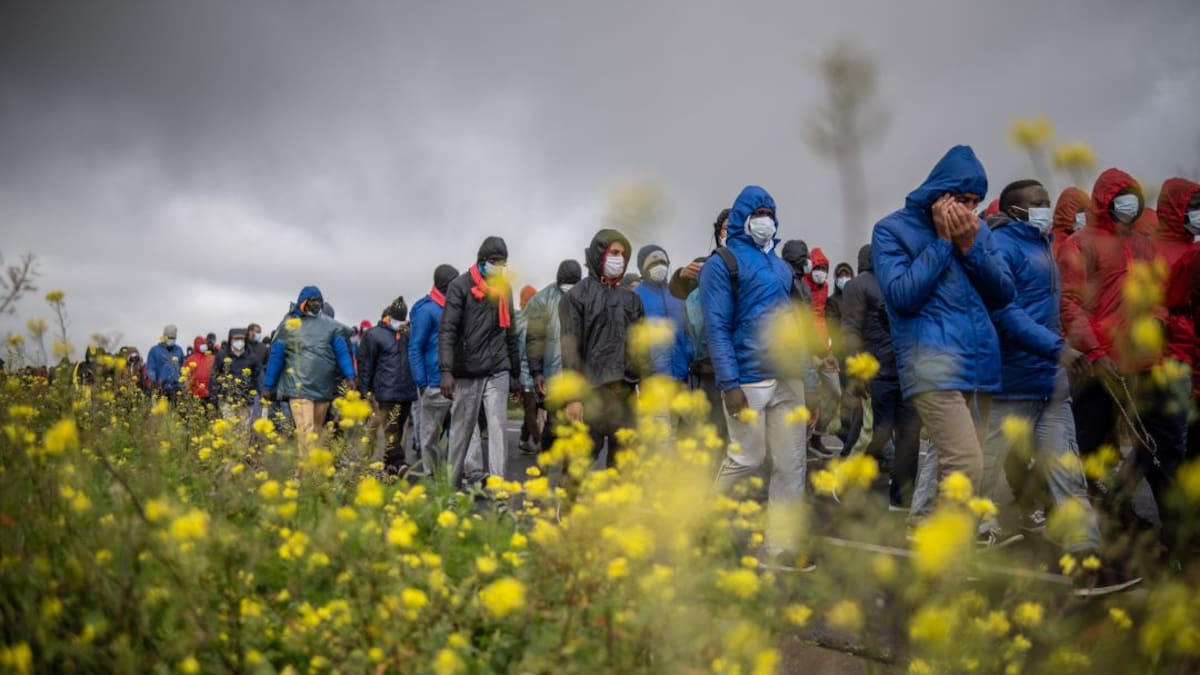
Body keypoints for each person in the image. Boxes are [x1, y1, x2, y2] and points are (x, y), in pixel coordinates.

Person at [981, 180, 1139, 592]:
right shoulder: (1001, 249)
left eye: (1048, 202)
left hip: (1050, 386)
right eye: (1037, 204)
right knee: (980, 474)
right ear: (1013, 210)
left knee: (1068, 476)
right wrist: (1058, 349)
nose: (1046, 210)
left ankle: (1087, 565)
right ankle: (953, 550)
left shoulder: (1046, 246)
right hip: (1010, 386)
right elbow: (1006, 314)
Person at [872, 145, 1014, 496]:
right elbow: (902, 296)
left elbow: (1004, 292)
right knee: (965, 466)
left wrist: (970, 248)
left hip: (978, 364)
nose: (969, 210)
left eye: (975, 202)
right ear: (939, 194)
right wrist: (942, 243)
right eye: (962, 200)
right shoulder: (891, 230)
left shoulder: (979, 232)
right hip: (932, 365)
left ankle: (941, 530)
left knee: (962, 472)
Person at [1058, 168, 1187, 551]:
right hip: (1100, 367)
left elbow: (1158, 294)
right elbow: (1070, 304)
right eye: (1120, 195)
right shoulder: (1080, 244)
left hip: (1145, 364)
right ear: (1105, 199)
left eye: (1133, 195)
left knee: (1162, 446)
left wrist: (1158, 321)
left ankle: (1178, 533)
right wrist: (1097, 353)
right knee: (1090, 445)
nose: (1129, 202)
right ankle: (1090, 526)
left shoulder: (1143, 245)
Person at [701, 185, 810, 570]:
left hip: (788, 379)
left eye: (769, 213)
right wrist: (730, 384)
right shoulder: (722, 264)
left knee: (791, 464)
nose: (765, 220)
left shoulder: (781, 268)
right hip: (747, 379)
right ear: (743, 218)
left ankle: (780, 547)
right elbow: (716, 327)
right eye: (758, 213)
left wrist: (809, 381)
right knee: (748, 457)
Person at [841, 244, 922, 509]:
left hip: (902, 372)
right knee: (876, 433)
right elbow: (851, 330)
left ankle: (901, 496)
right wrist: (857, 371)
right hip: (879, 374)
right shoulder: (861, 285)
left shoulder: (901, 282)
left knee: (907, 436)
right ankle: (846, 480)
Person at [438, 238, 520, 488]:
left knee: (498, 430)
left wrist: (515, 373)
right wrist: (446, 370)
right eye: (495, 261)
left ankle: (498, 489)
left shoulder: (505, 289)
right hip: (467, 370)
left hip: (497, 369)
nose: (498, 267)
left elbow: (511, 332)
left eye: (503, 263)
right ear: (482, 260)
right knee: (462, 432)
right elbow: (448, 330)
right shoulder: (460, 286)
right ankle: (452, 488)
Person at [560, 229, 644, 467]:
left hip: (624, 393)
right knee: (579, 463)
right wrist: (573, 398)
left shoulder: (632, 300)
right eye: (614, 252)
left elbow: (640, 348)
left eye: (623, 254)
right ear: (600, 254)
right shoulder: (576, 297)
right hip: (590, 393)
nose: (619, 259)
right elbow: (570, 350)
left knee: (623, 463)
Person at [263, 286, 357, 442]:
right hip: (298, 389)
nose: (317, 304)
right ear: (304, 302)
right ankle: (307, 459)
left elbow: (342, 352)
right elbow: (276, 356)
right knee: (306, 433)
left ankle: (306, 458)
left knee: (316, 434)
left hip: (322, 388)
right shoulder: (290, 324)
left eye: (319, 301)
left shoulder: (329, 326)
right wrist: (268, 385)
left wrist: (350, 376)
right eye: (313, 301)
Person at [669, 208, 732, 440]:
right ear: (717, 232)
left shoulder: (752, 266)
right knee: (709, 436)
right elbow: (677, 290)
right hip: (706, 371)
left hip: (741, 368)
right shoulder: (707, 264)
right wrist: (681, 275)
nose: (730, 232)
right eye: (726, 228)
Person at [526, 259, 583, 450]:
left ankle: (569, 467)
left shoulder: (586, 297)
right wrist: (536, 372)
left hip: (579, 375)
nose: (569, 288)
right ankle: (547, 463)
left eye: (574, 283)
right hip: (553, 373)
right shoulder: (543, 300)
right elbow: (534, 339)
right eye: (567, 283)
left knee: (576, 425)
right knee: (553, 423)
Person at [359, 298, 419, 476]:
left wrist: (411, 334)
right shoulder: (374, 335)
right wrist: (365, 391)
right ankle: (399, 461)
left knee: (399, 429)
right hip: (386, 391)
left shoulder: (409, 334)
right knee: (391, 429)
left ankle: (389, 465)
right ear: (388, 317)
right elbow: (366, 365)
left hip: (407, 390)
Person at [409, 264, 459, 473]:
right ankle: (431, 474)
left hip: (456, 381)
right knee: (430, 435)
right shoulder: (426, 310)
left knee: (458, 432)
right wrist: (421, 382)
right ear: (446, 284)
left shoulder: (454, 306)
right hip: (433, 382)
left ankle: (454, 472)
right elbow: (415, 347)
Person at [635, 244, 691, 382]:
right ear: (643, 268)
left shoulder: (677, 292)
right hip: (652, 379)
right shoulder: (635, 296)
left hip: (682, 374)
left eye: (662, 262)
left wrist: (689, 353)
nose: (659, 266)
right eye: (654, 264)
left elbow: (688, 329)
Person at [209, 327, 261, 422]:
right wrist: (213, 397)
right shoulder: (222, 355)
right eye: (236, 339)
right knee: (229, 428)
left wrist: (261, 394)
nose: (239, 341)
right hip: (227, 400)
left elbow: (258, 377)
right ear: (230, 340)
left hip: (246, 402)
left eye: (241, 339)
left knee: (244, 429)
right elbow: (214, 376)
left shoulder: (252, 357)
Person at [514, 285, 541, 453]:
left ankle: (524, 440)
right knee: (531, 410)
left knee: (532, 409)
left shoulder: (522, 321)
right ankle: (540, 441)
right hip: (526, 375)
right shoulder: (525, 323)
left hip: (530, 374)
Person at [146, 324, 185, 401]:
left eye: (173, 338)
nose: (171, 340)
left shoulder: (179, 350)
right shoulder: (155, 351)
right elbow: (150, 368)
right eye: (169, 338)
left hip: (176, 389)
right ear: (164, 337)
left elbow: (182, 367)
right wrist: (154, 380)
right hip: (160, 388)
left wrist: (183, 382)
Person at [1051, 186, 1089, 262]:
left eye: (1089, 211)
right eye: (1082, 211)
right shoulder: (1055, 244)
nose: (1087, 216)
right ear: (1067, 212)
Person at [182, 336, 215, 403]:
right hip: (193, 394)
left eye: (205, 344)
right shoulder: (190, 359)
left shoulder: (210, 358)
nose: (205, 346)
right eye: (202, 344)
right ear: (197, 345)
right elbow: (185, 376)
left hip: (207, 394)